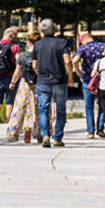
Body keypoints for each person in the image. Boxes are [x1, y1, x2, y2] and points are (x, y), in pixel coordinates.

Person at [30, 18, 73, 148]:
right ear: (54, 29)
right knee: (60, 109)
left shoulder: (37, 45)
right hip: (59, 80)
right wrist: (70, 77)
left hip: (43, 81)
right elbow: (67, 61)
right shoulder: (62, 43)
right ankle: (57, 138)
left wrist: (40, 75)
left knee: (43, 109)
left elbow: (34, 65)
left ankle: (45, 135)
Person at [0, 26, 23, 136]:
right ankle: (10, 127)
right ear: (10, 35)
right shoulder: (15, 47)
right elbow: (19, 63)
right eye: (16, 35)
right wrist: (16, 78)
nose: (17, 37)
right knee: (10, 103)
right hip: (10, 78)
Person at [4, 34, 39, 144]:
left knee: (20, 107)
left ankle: (13, 133)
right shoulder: (40, 55)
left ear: (28, 42)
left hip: (25, 84)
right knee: (37, 108)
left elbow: (17, 72)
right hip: (38, 83)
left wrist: (12, 82)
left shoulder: (23, 56)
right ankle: (38, 132)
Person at [75, 32, 105, 139]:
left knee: (89, 106)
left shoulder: (83, 48)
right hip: (101, 79)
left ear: (83, 40)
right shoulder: (104, 46)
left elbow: (75, 60)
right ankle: (100, 129)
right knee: (102, 104)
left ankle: (90, 132)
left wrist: (78, 72)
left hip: (87, 80)